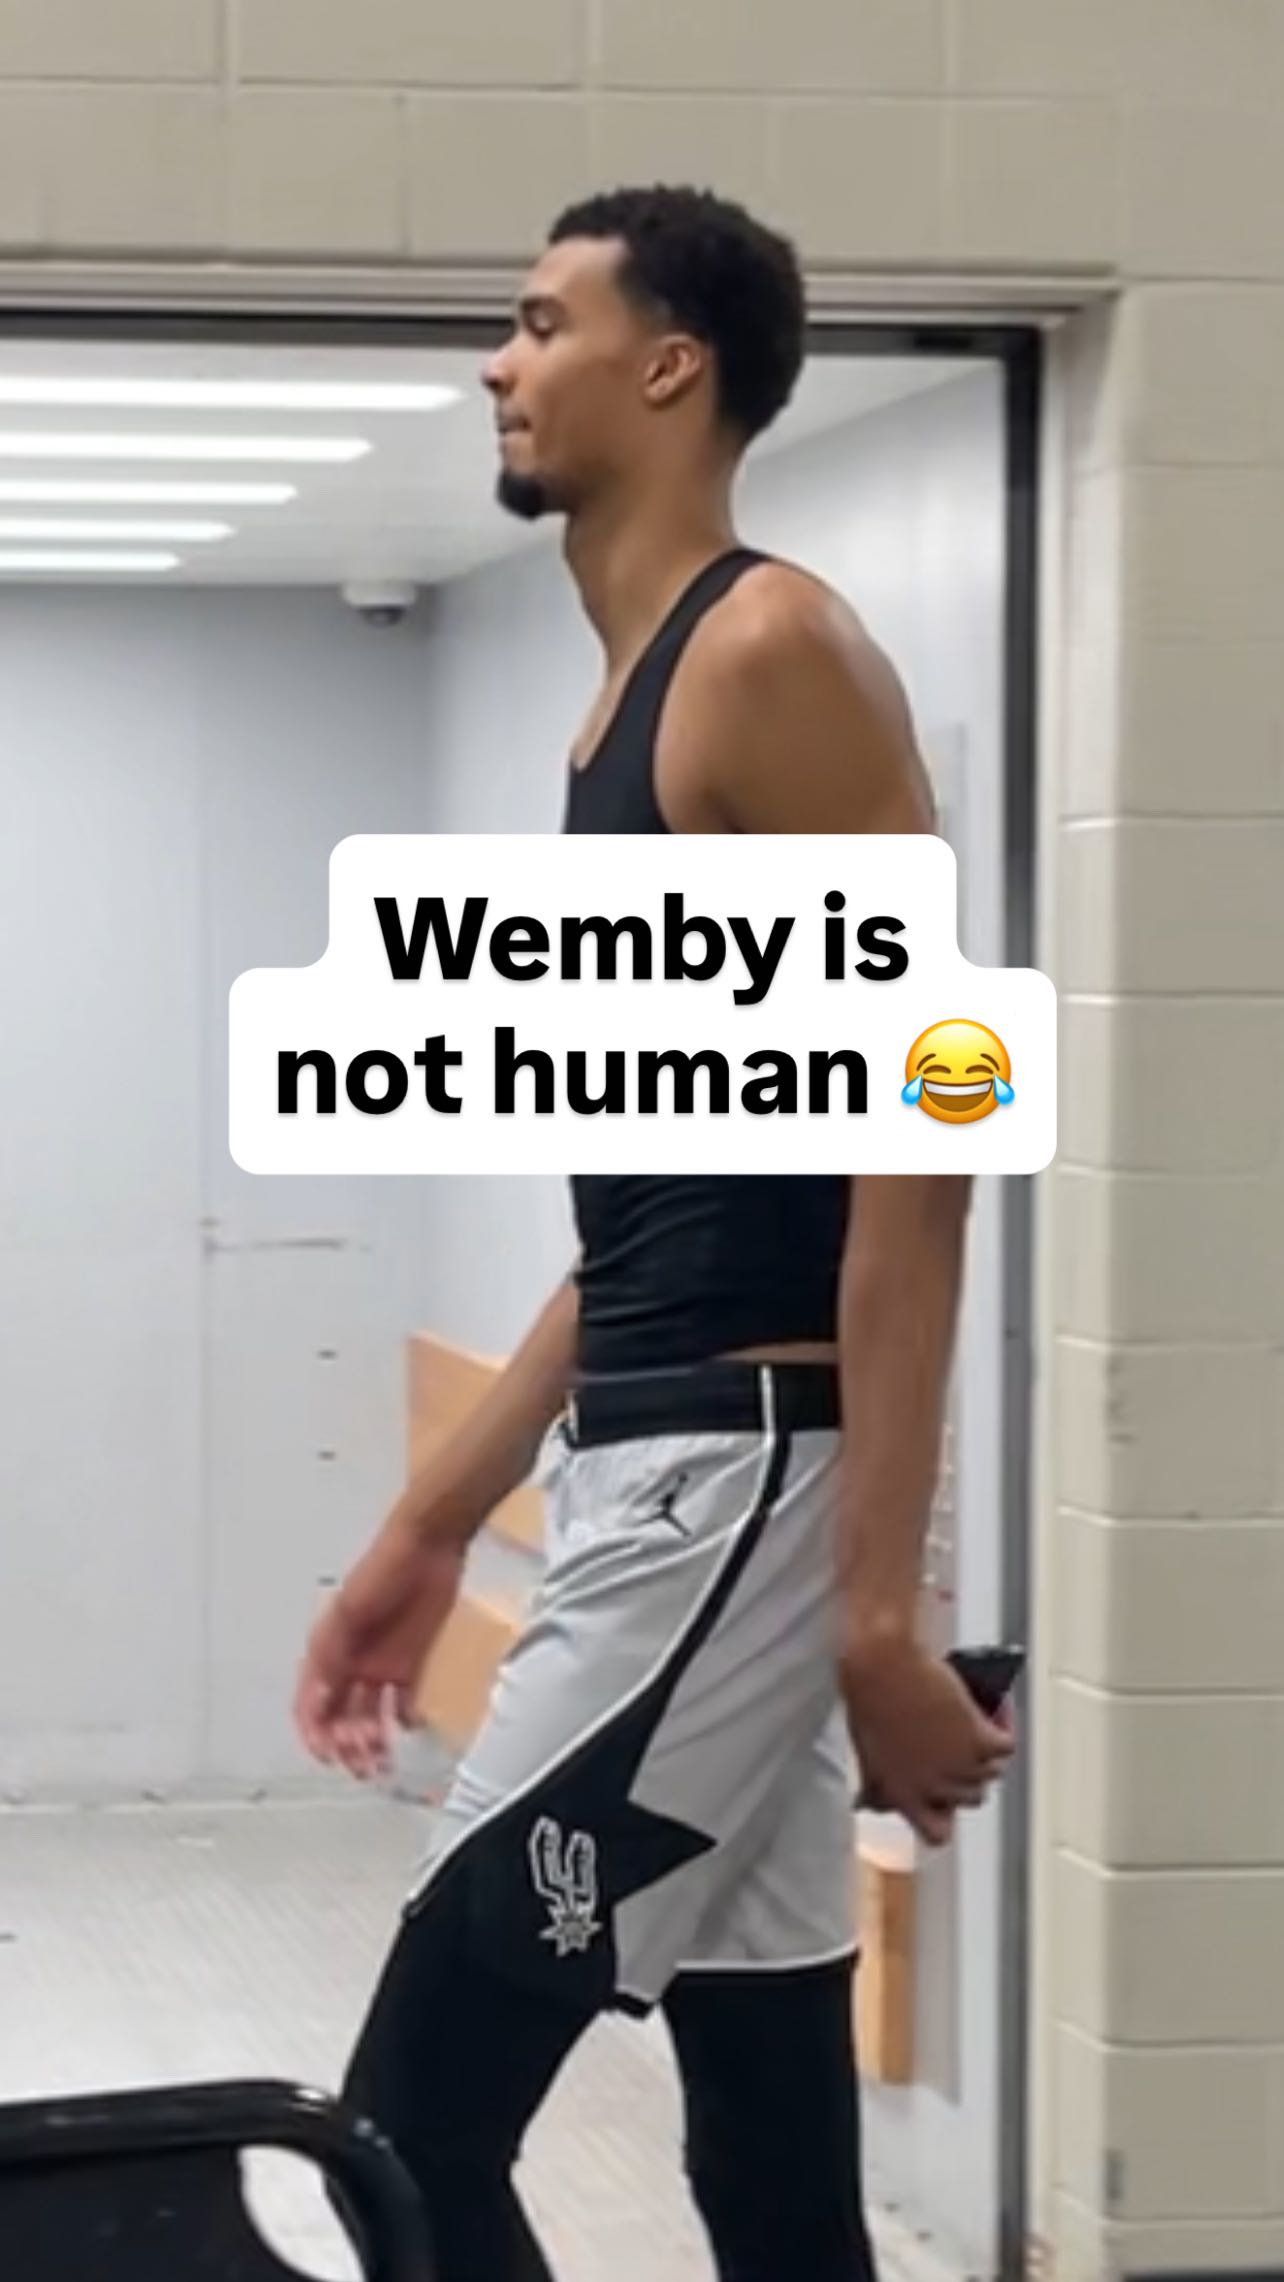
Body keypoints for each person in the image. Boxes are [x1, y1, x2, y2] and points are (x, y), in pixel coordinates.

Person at [294, 184, 1015, 2282]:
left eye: (541, 323)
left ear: (671, 365)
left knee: (407, 2133)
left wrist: (874, 1612)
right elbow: (655, 1203)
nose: (497, 364)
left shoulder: (767, 655)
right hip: (681, 1458)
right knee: (776, 2160)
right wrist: (435, 1517)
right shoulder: (621, 707)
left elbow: (927, 1135)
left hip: (737, 1491)